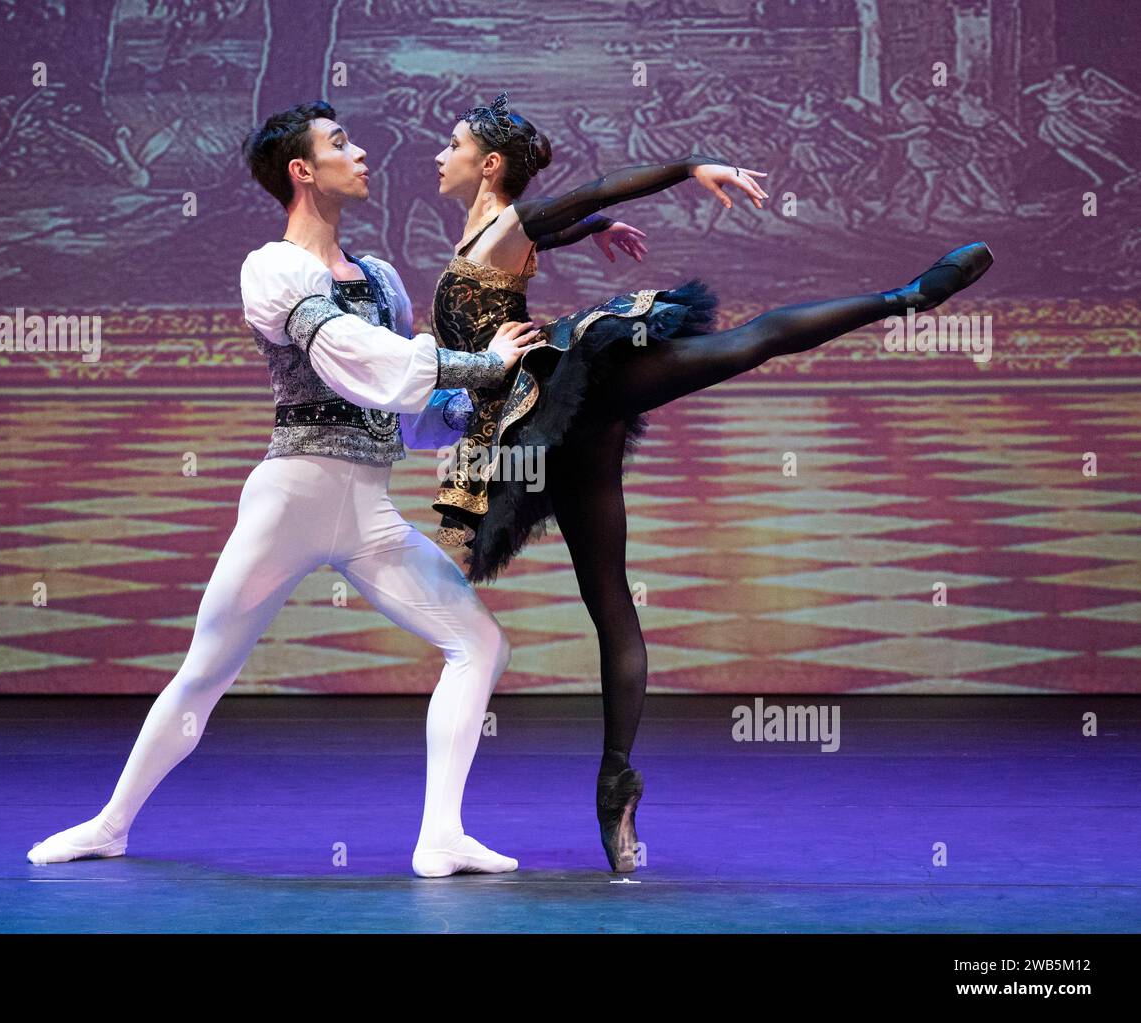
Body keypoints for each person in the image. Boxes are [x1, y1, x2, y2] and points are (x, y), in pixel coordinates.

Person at [423, 92, 993, 871]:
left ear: (488, 165)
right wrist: (596, 231)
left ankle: (909, 295)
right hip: (550, 421)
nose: (439, 154)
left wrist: (688, 169)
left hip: (560, 395)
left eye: (451, 144)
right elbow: (569, 221)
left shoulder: (507, 225)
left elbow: (594, 194)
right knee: (610, 600)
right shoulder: (495, 229)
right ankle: (614, 781)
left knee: (744, 346)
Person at [25, 101, 543, 879]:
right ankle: (109, 822)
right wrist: (477, 366)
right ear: (302, 171)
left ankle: (441, 835)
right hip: (292, 500)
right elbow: (355, 359)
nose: (360, 152)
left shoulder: (381, 279)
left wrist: (487, 405)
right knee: (207, 669)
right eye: (341, 144)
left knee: (479, 644)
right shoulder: (272, 268)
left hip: (367, 509)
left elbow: (409, 415)